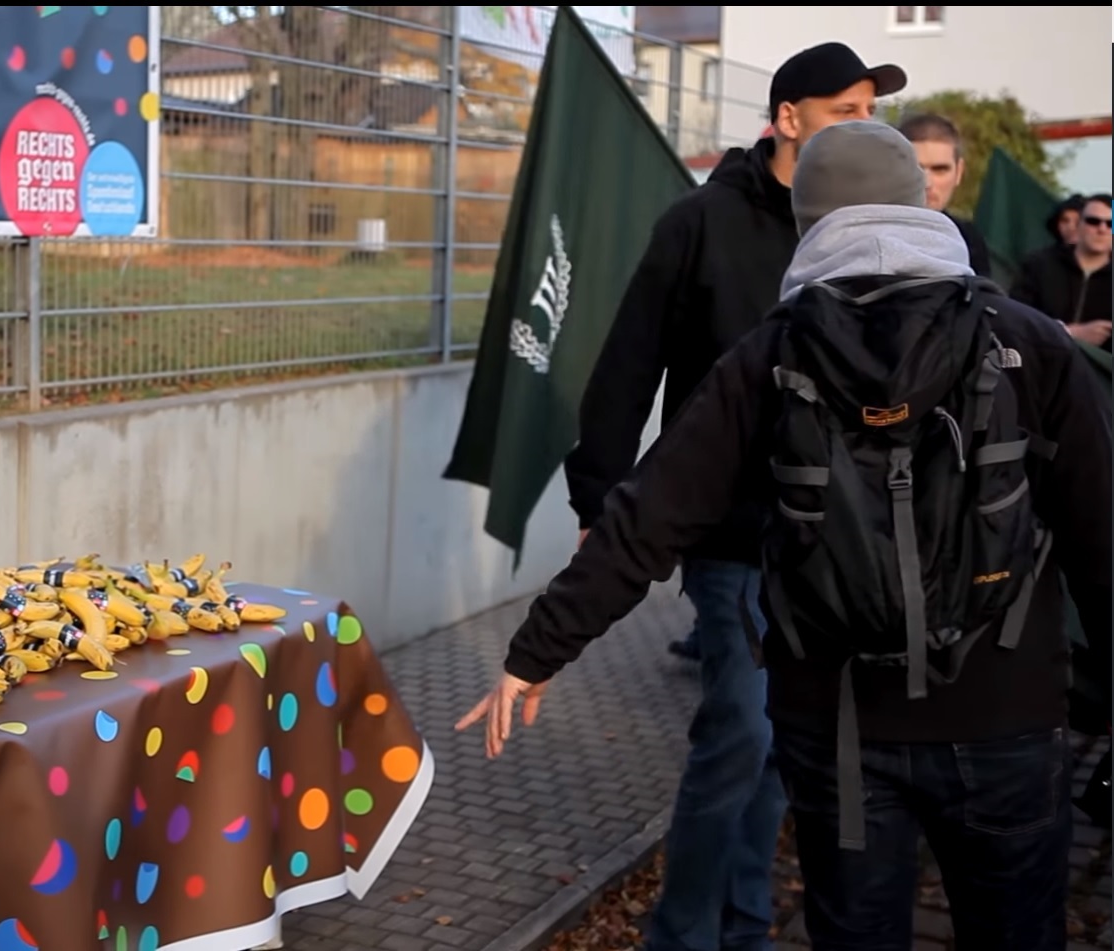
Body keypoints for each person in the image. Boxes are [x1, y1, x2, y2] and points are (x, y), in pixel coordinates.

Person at [458, 120, 1113, 951]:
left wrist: (536, 651)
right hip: (1005, 710)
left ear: (807, 221)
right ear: (920, 204)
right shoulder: (1027, 341)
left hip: (836, 723)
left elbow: (652, 512)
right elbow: (1099, 530)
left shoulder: (771, 351)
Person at [558, 41, 907, 951]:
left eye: (871, 112)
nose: (864, 127)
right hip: (731, 533)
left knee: (783, 746)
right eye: (844, 111)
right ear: (787, 119)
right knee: (741, 733)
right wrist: (600, 500)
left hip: (835, 542)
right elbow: (629, 362)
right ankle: (681, 934)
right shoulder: (699, 223)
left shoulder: (865, 232)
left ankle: (743, 925)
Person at [1010, 192, 1113, 350]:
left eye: (1110, 224)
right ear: (1079, 225)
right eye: (1093, 221)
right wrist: (1067, 332)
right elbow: (1015, 319)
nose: (1102, 229)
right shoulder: (1039, 265)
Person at [895, 112, 993, 276]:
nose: (927, 182)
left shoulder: (970, 240)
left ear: (959, 172)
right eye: (915, 168)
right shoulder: (866, 235)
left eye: (940, 169)